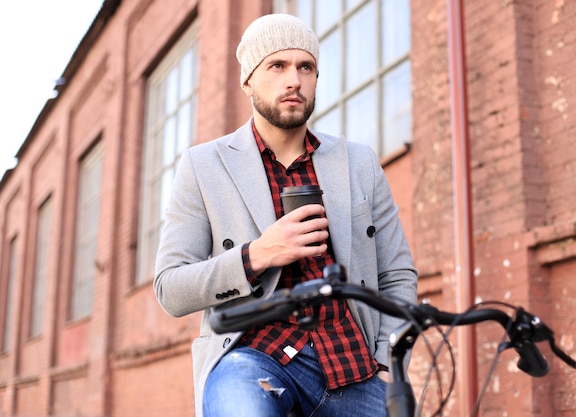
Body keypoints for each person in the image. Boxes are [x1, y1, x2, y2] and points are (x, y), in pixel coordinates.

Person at [154, 13, 418, 417]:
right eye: (277, 66)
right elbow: (170, 289)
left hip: (353, 365)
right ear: (248, 81)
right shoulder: (204, 166)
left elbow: (397, 275)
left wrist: (388, 362)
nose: (293, 79)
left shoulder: (358, 162)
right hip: (252, 358)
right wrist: (256, 254)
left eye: (305, 66)